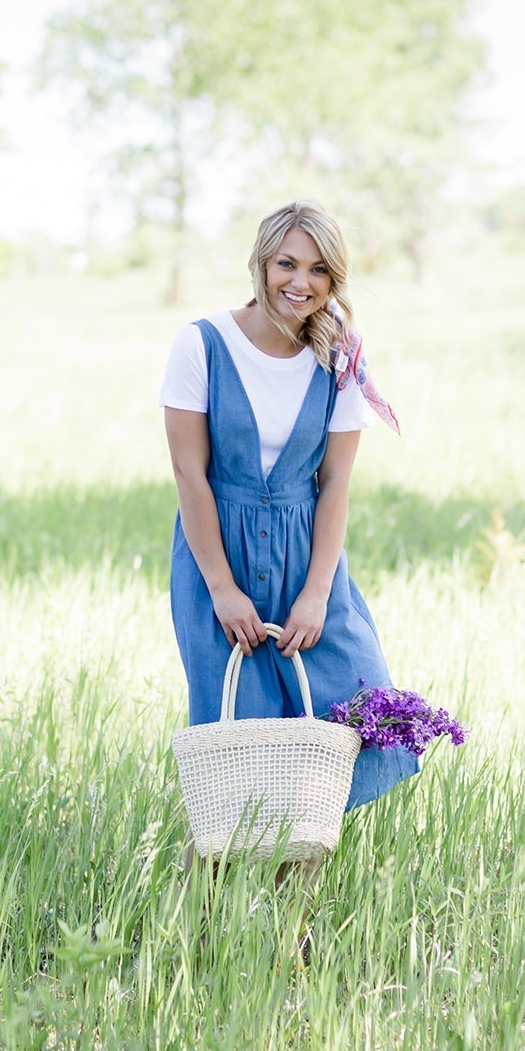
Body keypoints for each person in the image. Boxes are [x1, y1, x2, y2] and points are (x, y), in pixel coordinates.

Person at [161, 199, 418, 817]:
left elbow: (335, 484)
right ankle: (206, 908)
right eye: (287, 264)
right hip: (218, 555)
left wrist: (317, 594)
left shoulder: (340, 357)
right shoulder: (203, 345)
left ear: (335, 280)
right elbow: (189, 475)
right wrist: (221, 588)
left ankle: (292, 913)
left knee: (338, 724)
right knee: (233, 745)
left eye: (320, 270)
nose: (301, 284)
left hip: (310, 559)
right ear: (261, 263)